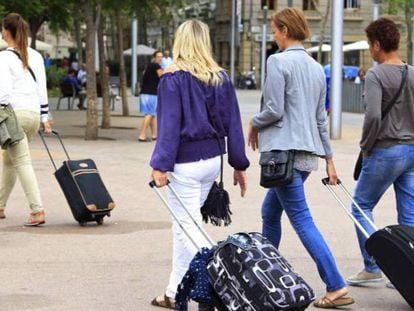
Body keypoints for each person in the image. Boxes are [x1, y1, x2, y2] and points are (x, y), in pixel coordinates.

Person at [247, 8, 354, 309]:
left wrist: (253, 123)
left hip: (283, 157)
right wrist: (329, 159)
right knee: (270, 213)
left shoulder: (277, 61)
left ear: (284, 29)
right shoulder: (316, 67)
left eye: (274, 30)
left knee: (302, 220)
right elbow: (321, 119)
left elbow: (273, 110)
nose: (273, 35)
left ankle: (335, 286)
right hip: (306, 159)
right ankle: (267, 275)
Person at [150, 19, 249, 309]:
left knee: (187, 228)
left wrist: (160, 164)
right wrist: (238, 163)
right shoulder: (220, 77)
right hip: (212, 161)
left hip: (185, 163)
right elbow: (234, 123)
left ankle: (220, 279)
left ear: (180, 41)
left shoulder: (172, 79)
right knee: (183, 226)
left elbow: (168, 126)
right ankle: (173, 292)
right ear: (204, 41)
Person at [346, 18, 414, 286]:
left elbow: (373, 115)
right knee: (408, 214)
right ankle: (407, 271)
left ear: (376, 44)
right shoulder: (411, 72)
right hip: (411, 151)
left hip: (385, 150)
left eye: (370, 45)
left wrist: (365, 146)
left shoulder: (375, 74)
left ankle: (372, 266)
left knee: (361, 206)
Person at [0, 13, 52, 225]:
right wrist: (45, 116)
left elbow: (2, 91)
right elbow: (42, 89)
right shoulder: (36, 56)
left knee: (20, 161)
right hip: (32, 115)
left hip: (14, 115)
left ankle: (37, 210)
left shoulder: (3, 57)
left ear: (6, 32)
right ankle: (0, 205)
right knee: (9, 160)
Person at [138, 50, 163, 142]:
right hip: (152, 93)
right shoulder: (157, 66)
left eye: (161, 57)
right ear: (154, 57)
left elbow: (144, 75)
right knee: (149, 114)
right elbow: (163, 77)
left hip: (144, 93)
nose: (160, 58)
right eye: (158, 56)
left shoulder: (148, 66)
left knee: (151, 114)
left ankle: (154, 135)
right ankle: (142, 135)